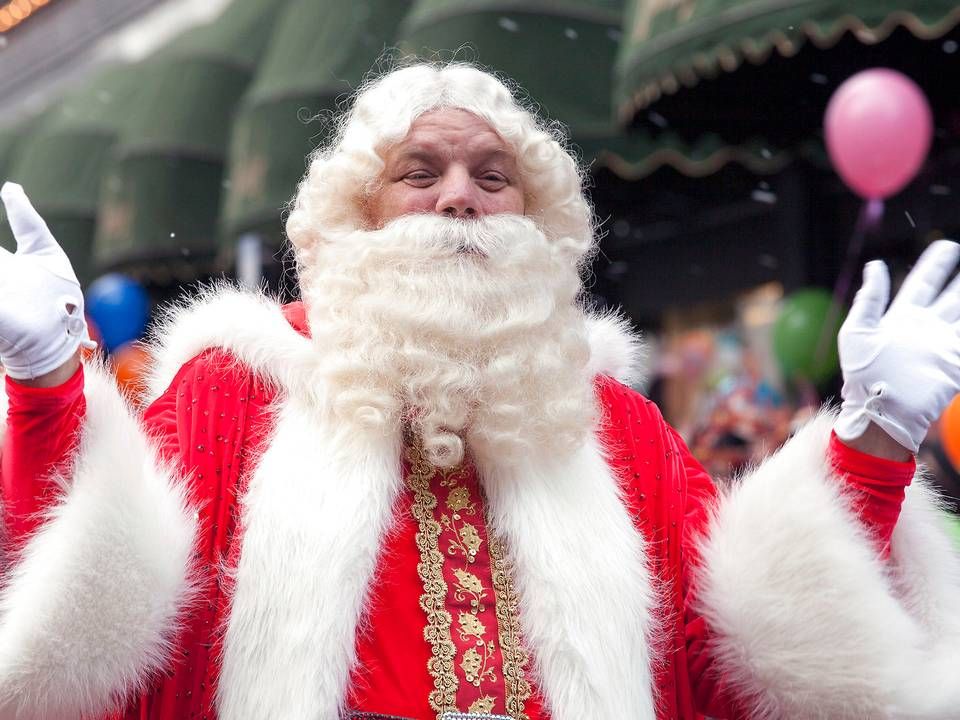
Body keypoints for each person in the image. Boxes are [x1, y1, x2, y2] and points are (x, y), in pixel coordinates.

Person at [0, 62, 959, 720]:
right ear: (356, 215)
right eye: (422, 172)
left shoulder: (612, 427)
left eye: (492, 176)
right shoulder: (234, 396)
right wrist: (46, 391)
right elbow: (84, 647)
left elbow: (749, 665)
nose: (460, 196)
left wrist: (870, 447)